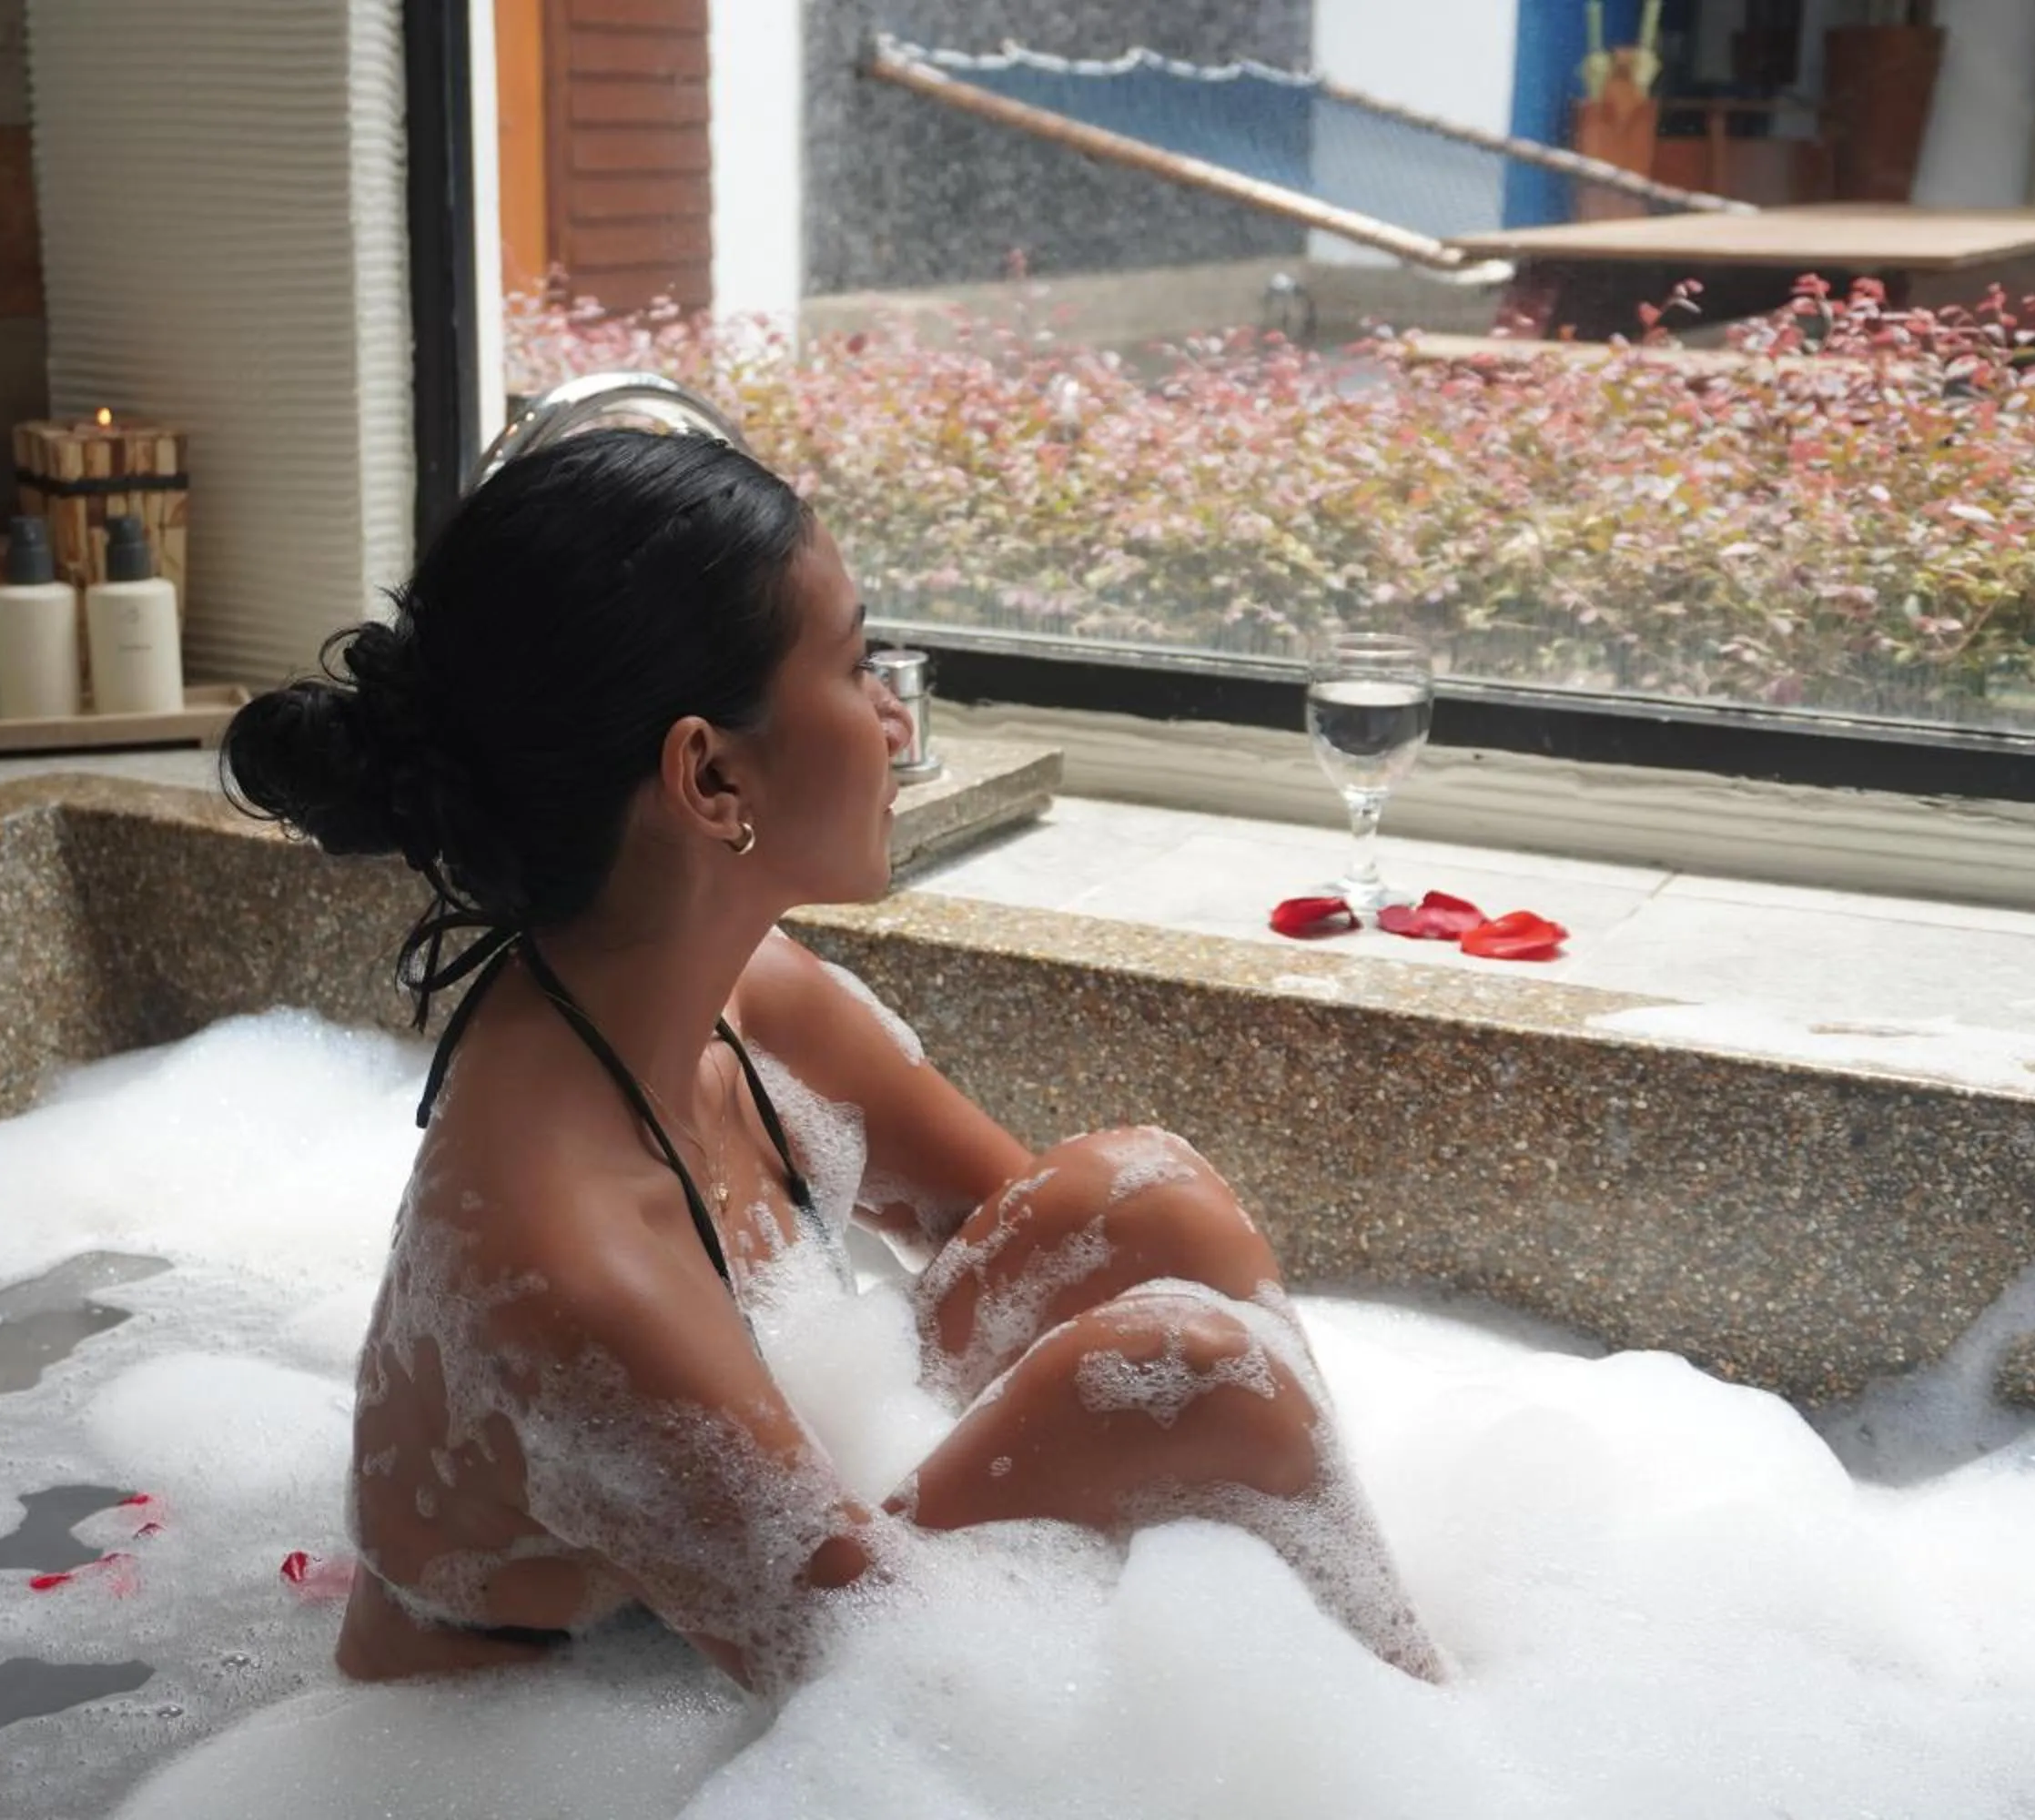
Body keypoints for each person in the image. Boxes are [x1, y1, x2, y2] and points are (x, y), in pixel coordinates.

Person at [219, 429, 1443, 1694]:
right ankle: (1432, 1740)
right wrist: (1158, 1406)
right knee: (1197, 1378)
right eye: (858, 667)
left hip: (741, 1587)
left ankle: (1397, 1697)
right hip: (541, 1738)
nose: (894, 720)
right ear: (708, 774)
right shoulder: (567, 1259)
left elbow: (1031, 1250)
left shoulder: (747, 995)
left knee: (1148, 1200)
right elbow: (873, 1680)